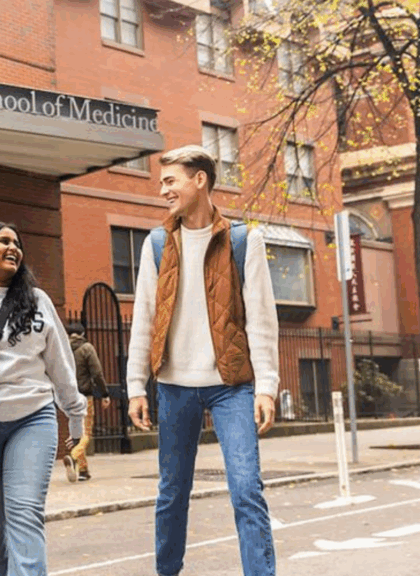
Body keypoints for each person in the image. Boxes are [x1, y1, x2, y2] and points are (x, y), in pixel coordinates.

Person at [126, 145, 280, 576]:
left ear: (200, 180)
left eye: (170, 181)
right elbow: (144, 318)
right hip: (175, 385)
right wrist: (136, 385)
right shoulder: (156, 244)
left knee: (247, 490)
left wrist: (266, 386)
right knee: (172, 493)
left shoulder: (244, 239)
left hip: (233, 384)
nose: (163, 191)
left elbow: (262, 320)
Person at [0, 222, 87, 576]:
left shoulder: (36, 301)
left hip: (32, 419)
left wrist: (75, 415)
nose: (14, 247)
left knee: (24, 514)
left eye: (17, 243)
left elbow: (60, 363)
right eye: (4, 241)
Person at [63, 322, 112, 482]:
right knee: (87, 433)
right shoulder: (87, 348)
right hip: (84, 396)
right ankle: (73, 455)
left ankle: (83, 471)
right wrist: (104, 393)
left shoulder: (62, 349)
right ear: (82, 333)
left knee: (76, 432)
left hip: (68, 397)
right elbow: (97, 373)